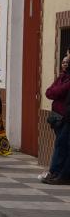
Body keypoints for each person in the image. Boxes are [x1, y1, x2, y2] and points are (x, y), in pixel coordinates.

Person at [42, 55, 70, 184]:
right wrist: (57, 91)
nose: (64, 64)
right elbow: (49, 92)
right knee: (60, 144)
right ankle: (55, 173)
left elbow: (58, 92)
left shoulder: (67, 79)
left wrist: (56, 91)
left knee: (61, 145)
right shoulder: (61, 77)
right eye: (63, 62)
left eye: (67, 62)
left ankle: (57, 173)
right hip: (57, 117)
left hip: (65, 117)